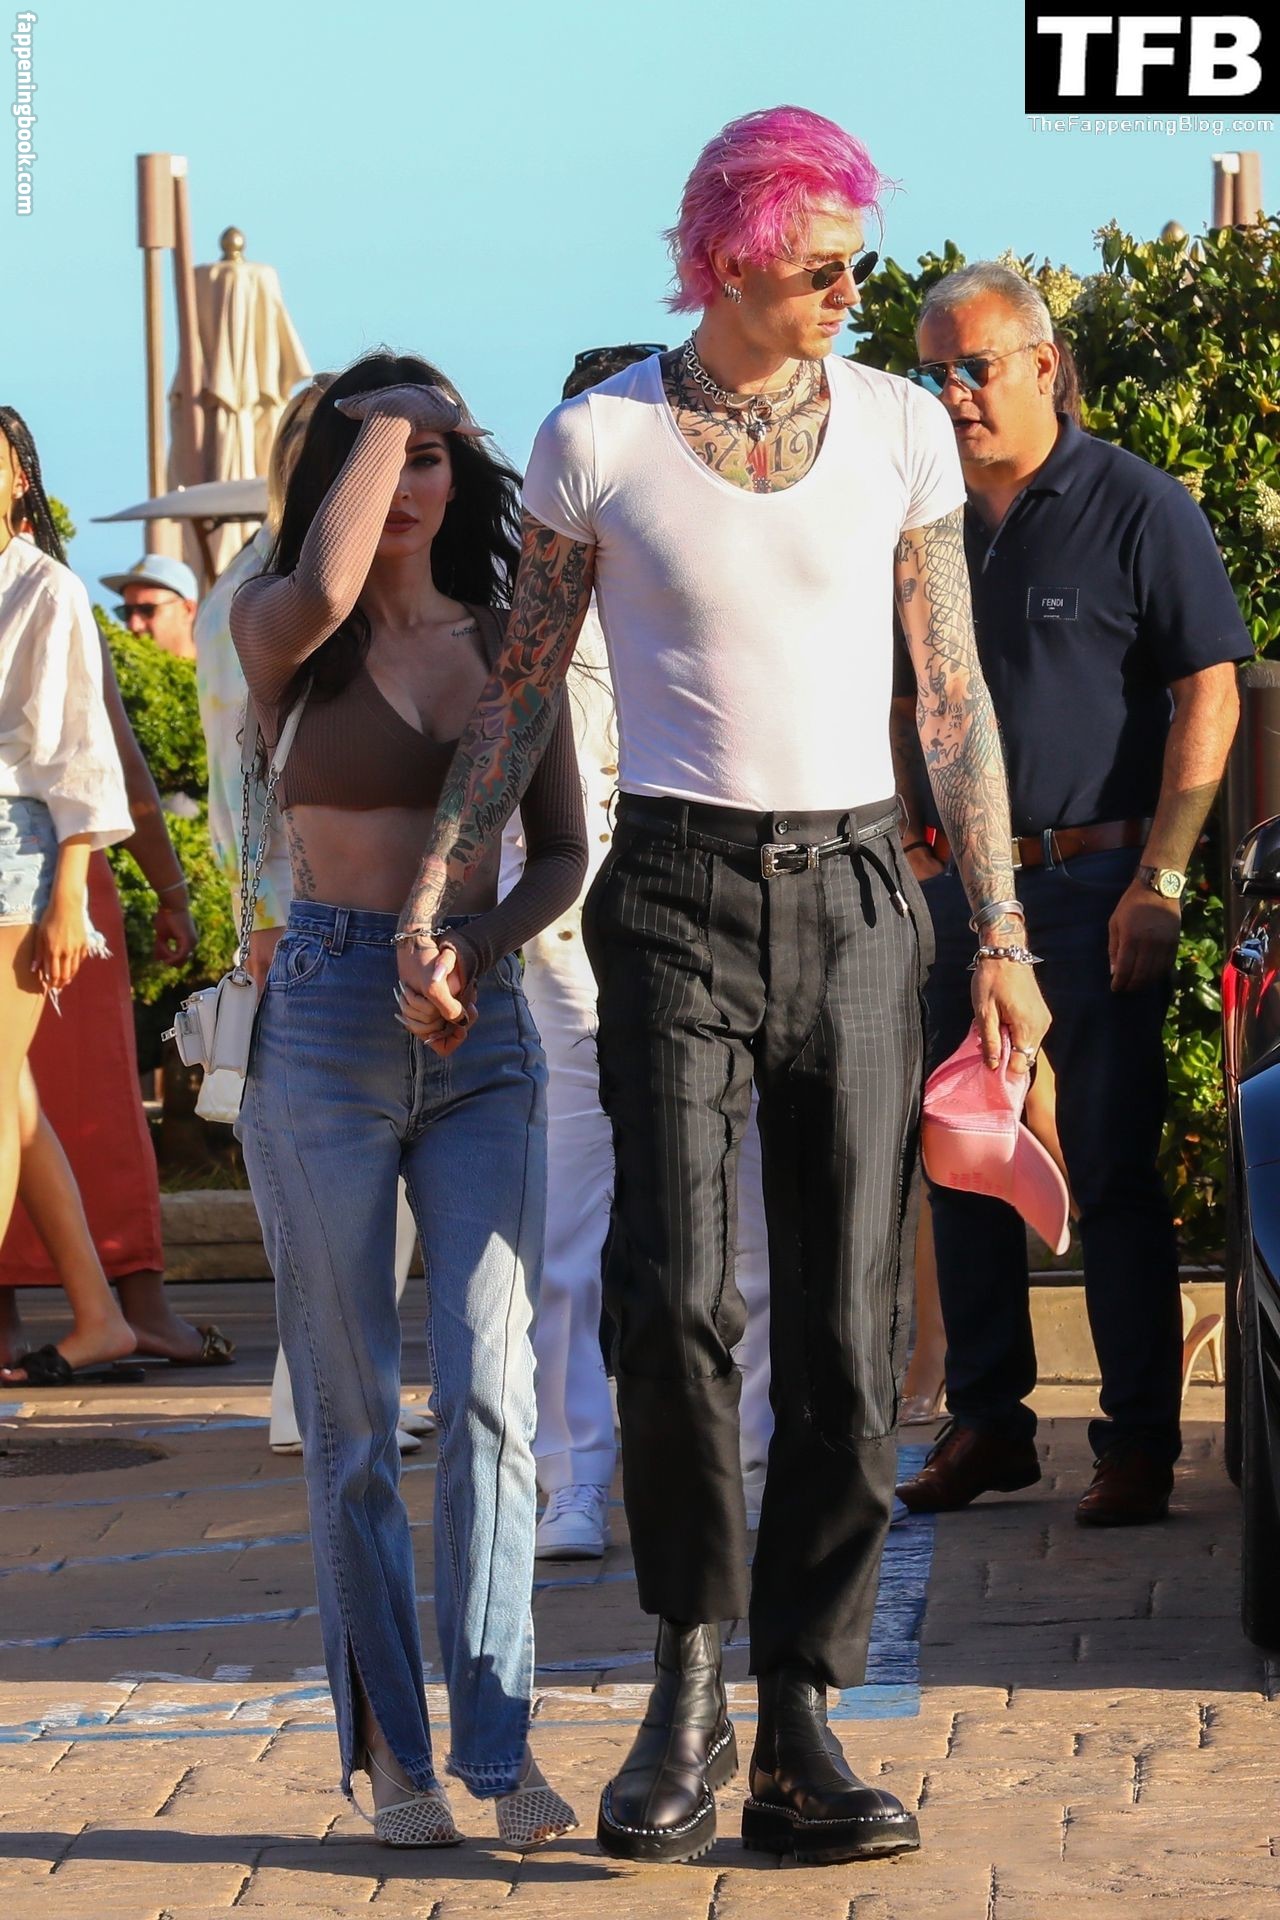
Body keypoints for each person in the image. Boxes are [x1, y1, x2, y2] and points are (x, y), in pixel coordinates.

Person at [392, 107, 1049, 1867]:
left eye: (858, 261)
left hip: (863, 893)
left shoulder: (899, 427)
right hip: (674, 889)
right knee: (671, 1296)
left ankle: (803, 1719)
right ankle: (686, 1686)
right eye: (825, 263)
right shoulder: (598, 438)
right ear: (734, 257)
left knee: (844, 1322)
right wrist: (444, 893)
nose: (852, 290)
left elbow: (953, 698)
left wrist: (1001, 936)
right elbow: (520, 689)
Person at [230, 352, 586, 1850]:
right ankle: (390, 1753)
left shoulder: (509, 641)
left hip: (478, 1030)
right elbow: (323, 582)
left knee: (495, 1393)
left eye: (438, 453)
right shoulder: (281, 631)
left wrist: (475, 951)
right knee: (358, 1416)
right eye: (385, 454)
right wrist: (384, 423)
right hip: (322, 1021)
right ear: (337, 470)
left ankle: (499, 1750)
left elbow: (561, 854)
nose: (413, 478)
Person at [893, 263, 1248, 1529]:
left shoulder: (1137, 505)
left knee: (1105, 1163)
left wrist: (1158, 876)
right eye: (931, 372)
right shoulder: (920, 522)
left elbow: (1208, 691)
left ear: (1043, 365)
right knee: (961, 1154)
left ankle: (1137, 1442)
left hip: (1097, 883)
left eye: (972, 367)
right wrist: (916, 850)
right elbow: (898, 696)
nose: (951, 393)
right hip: (955, 890)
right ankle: (988, 1423)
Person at [502, 340, 774, 1561]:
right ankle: (571, 1476)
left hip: (715, 929)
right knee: (566, 1228)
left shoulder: (725, 591)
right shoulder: (530, 606)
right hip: (562, 942)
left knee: (741, 1208)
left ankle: (753, 1455)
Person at [191, 375, 425, 1454]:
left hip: (277, 897)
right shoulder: (300, 595)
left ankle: (319, 1399)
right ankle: (323, 1401)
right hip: (318, 901)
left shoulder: (237, 588)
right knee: (355, 1170)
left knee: (318, 1169)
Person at [0, 405, 139, 1386]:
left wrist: (71, 896)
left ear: (19, 477)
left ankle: (103, 1315)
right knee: (9, 1091)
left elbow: (81, 752)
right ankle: (99, 1315)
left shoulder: (46, 587)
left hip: (14, 842)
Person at [101, 555, 199, 663]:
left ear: (187, 610)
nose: (134, 625)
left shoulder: (212, 670)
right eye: (127, 611)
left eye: (147, 610)